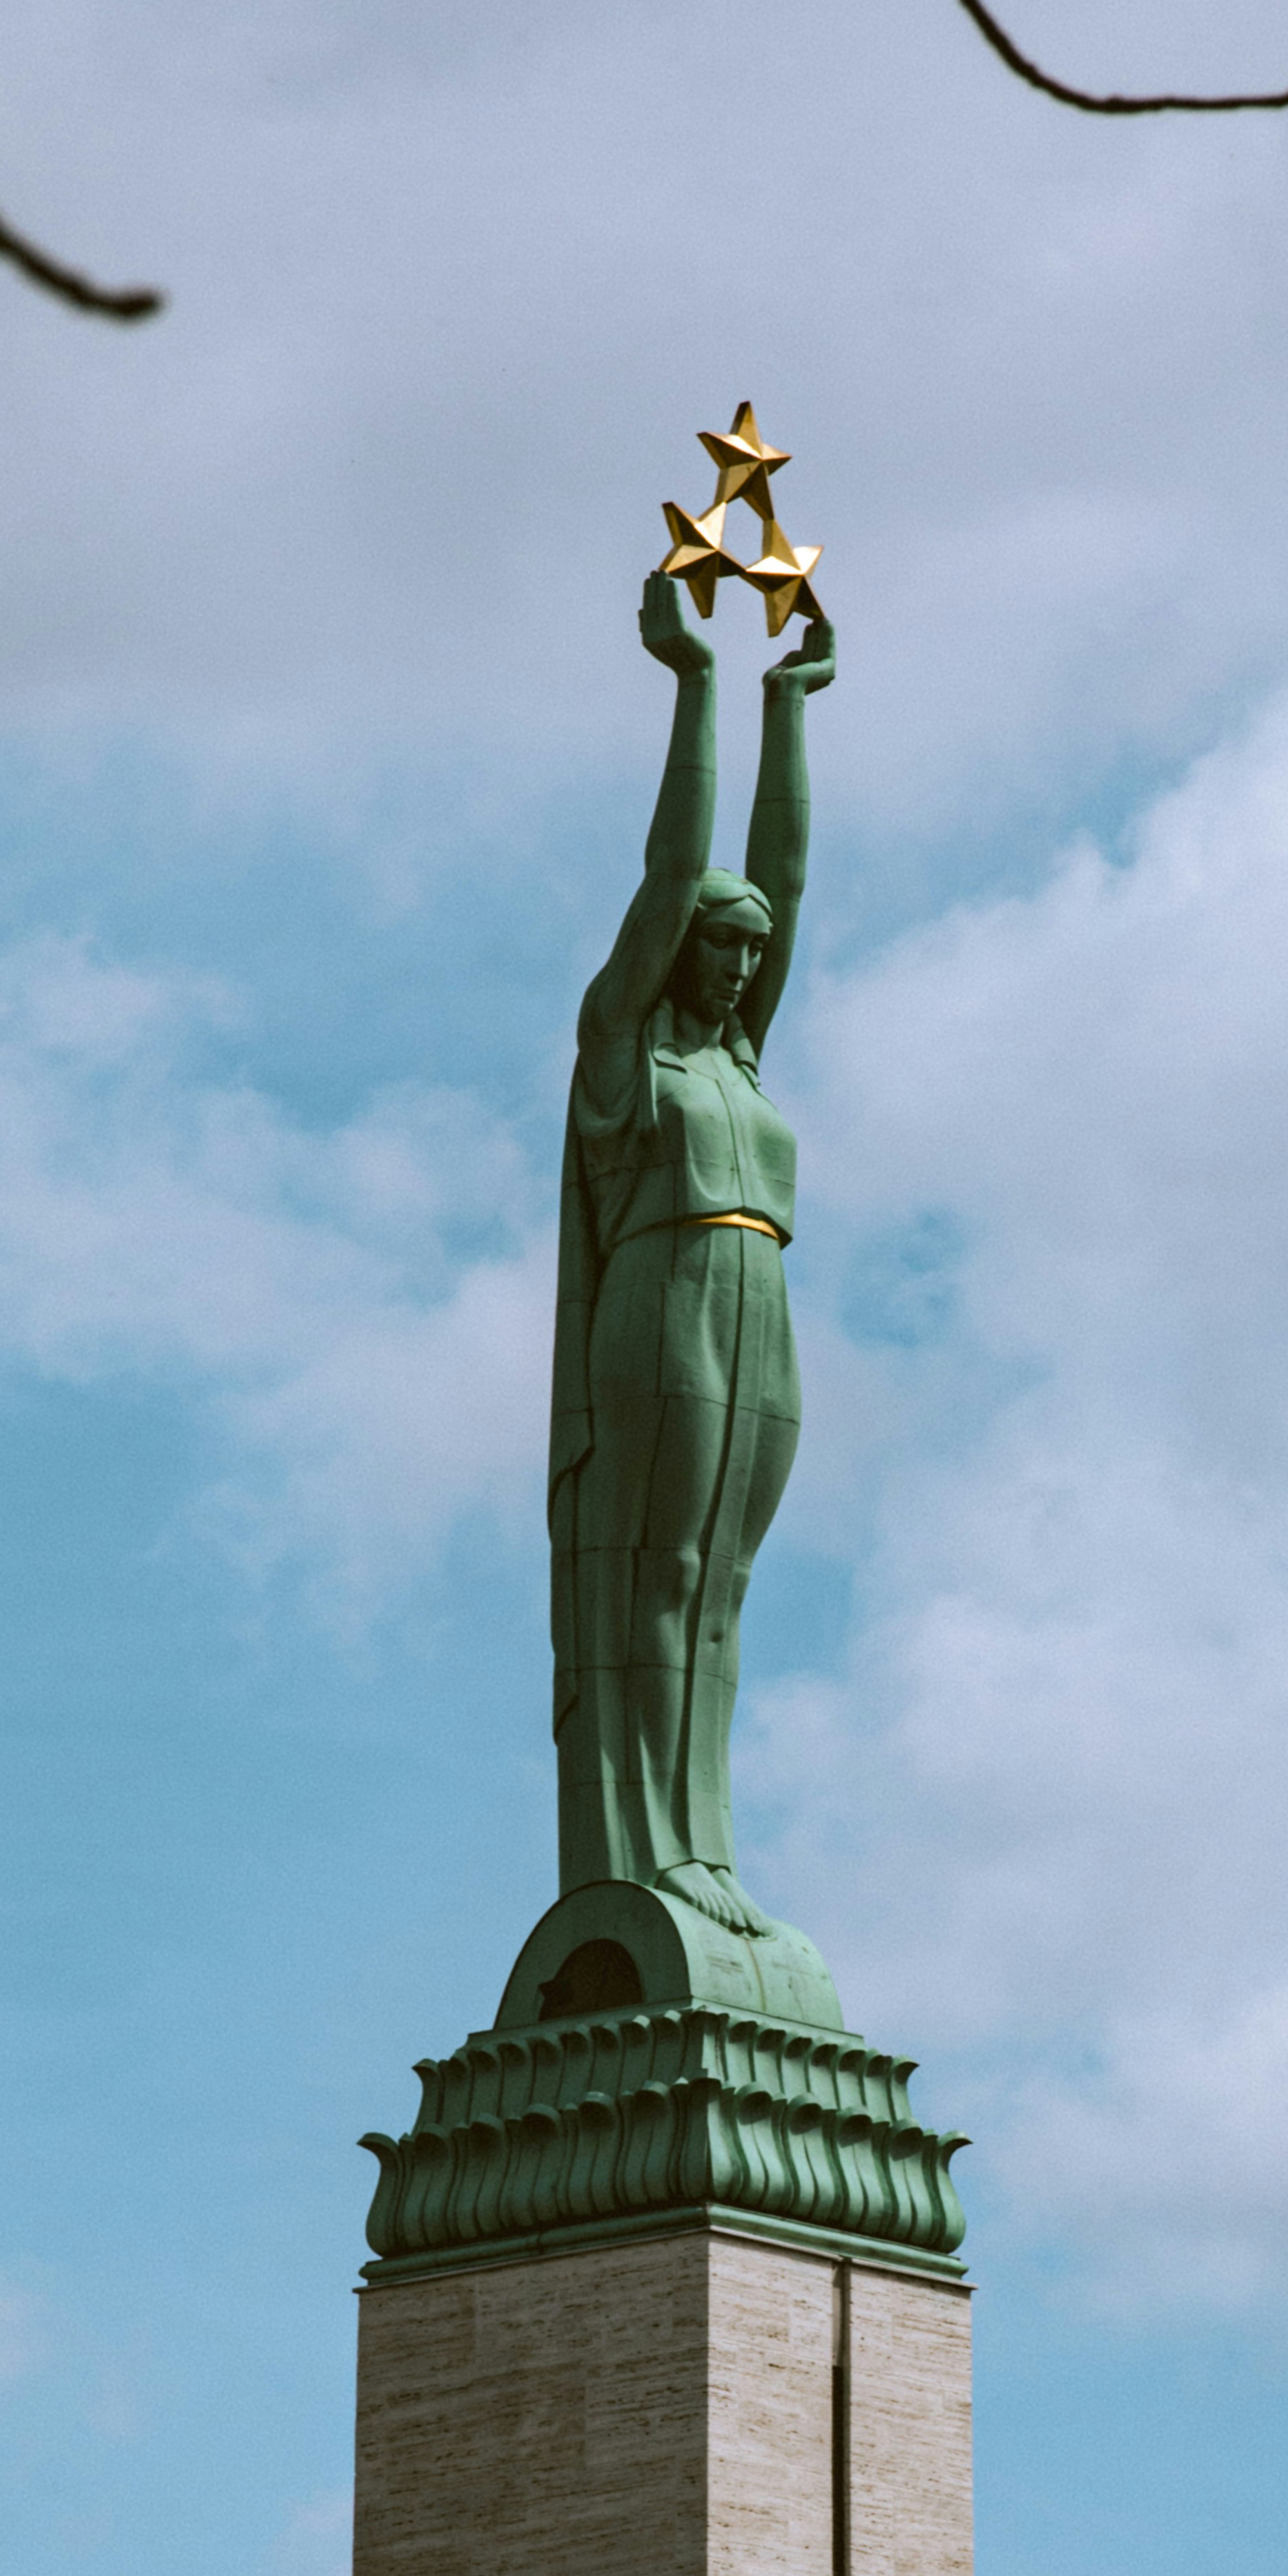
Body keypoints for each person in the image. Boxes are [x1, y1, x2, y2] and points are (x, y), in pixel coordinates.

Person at [548, 569, 837, 1935]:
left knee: (722, 1582)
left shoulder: (741, 1056)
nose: (733, 969)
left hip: (757, 1299)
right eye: (714, 952)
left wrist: (793, 712)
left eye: (747, 956)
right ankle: (645, 1847)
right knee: (657, 1572)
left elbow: (781, 874)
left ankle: (705, 1846)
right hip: (661, 1292)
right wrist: (696, 685)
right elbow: (682, 874)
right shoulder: (629, 1048)